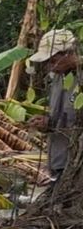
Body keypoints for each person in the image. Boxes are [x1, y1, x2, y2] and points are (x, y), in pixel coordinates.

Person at [29, 29, 78, 186]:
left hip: (76, 164)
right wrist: (47, 123)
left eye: (52, 61)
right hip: (60, 162)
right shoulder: (58, 78)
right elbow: (61, 118)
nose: (50, 67)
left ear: (68, 54)